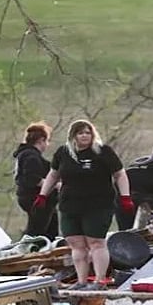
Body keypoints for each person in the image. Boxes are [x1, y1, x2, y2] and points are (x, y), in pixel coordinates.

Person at [34, 120, 132, 289]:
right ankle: (81, 281)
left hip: (98, 205)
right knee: (75, 243)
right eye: (80, 133)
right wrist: (43, 194)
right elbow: (53, 175)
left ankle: (100, 280)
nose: (84, 136)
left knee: (96, 242)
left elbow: (120, 174)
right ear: (73, 136)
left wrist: (125, 196)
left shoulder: (103, 152)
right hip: (70, 204)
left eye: (88, 132)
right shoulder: (63, 153)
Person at [13, 122, 58, 239]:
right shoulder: (31, 156)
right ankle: (28, 247)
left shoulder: (25, 154)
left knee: (50, 226)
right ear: (41, 140)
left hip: (30, 198)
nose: (47, 145)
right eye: (47, 141)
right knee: (37, 231)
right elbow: (32, 178)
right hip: (35, 198)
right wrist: (53, 185)